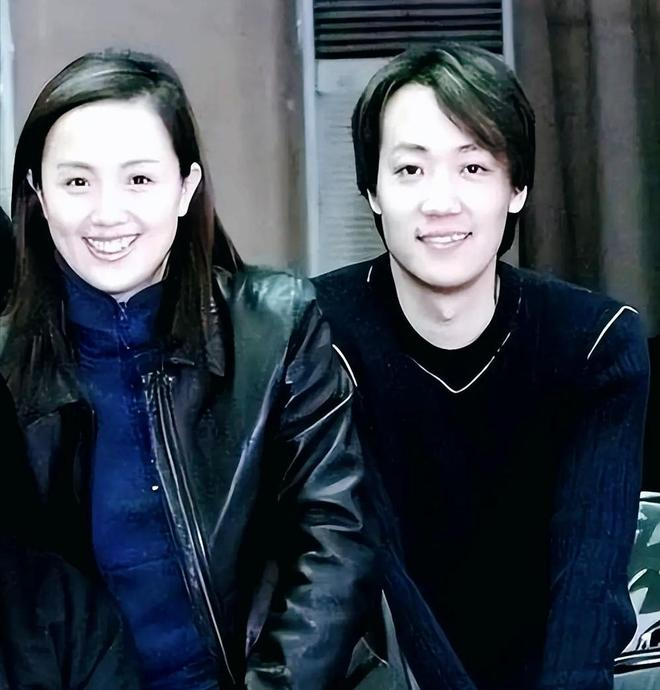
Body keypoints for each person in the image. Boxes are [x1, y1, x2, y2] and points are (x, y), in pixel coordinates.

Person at [1, 49, 374, 690]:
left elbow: (333, 540)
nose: (107, 213)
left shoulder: (274, 327)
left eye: (139, 180)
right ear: (37, 193)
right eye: (77, 182)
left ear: (185, 187)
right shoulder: (10, 367)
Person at [313, 44, 649, 690]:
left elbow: (588, 583)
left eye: (472, 167)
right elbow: (375, 575)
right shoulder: (314, 335)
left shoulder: (595, 344)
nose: (441, 202)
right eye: (410, 170)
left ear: (516, 188)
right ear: (372, 191)